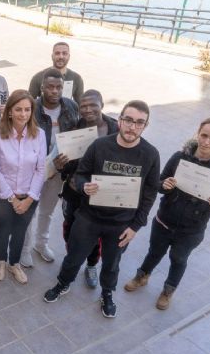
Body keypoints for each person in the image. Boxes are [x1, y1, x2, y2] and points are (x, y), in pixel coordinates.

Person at [44, 100, 160, 318]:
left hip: (121, 224)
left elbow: (150, 193)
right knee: (74, 256)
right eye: (128, 120)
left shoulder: (150, 154)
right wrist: (83, 185)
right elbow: (81, 174)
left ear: (145, 125)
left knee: (112, 264)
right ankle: (63, 283)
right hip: (89, 218)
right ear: (120, 120)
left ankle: (107, 293)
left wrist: (135, 226)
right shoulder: (100, 146)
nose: (132, 127)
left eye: (139, 123)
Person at [124, 117, 210, 309]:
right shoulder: (179, 157)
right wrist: (164, 186)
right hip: (164, 220)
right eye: (204, 135)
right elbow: (159, 182)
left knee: (179, 259)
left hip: (191, 229)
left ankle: (168, 290)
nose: (207, 141)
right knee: (154, 252)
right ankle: (142, 276)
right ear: (197, 133)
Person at [57, 89, 119, 288]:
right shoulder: (75, 129)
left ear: (102, 104)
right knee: (70, 229)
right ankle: (72, 261)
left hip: (100, 195)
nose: (88, 109)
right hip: (74, 193)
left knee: (95, 234)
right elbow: (66, 167)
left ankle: (91, 265)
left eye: (93, 104)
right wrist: (62, 165)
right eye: (83, 106)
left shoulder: (116, 130)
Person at [20, 69, 79, 268]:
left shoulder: (71, 106)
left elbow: (76, 137)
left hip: (58, 171)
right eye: (50, 87)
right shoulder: (31, 108)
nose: (54, 91)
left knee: (47, 211)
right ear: (42, 87)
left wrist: (66, 163)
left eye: (59, 87)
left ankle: (40, 244)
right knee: (30, 210)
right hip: (34, 169)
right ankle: (25, 248)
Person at [0, 90, 46, 285]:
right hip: (2, 197)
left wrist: (29, 199)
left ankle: (15, 264)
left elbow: (40, 169)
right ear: (10, 112)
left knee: (21, 231)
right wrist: (13, 200)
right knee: (3, 230)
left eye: (27, 110)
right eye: (18, 109)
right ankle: (1, 261)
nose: (23, 114)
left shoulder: (40, 135)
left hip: (29, 196)